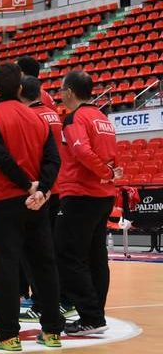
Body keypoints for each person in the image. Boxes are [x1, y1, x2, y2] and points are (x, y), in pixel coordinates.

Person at [0, 62, 63, 351]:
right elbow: (53, 160)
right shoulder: (38, 118)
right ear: (19, 88)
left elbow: (0, 158)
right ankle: (52, 332)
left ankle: (8, 336)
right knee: (44, 265)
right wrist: (42, 190)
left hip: (3, 203)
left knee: (5, 269)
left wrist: (27, 185)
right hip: (36, 204)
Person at [56, 70, 119, 336]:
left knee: (67, 254)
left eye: (62, 90)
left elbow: (81, 150)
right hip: (103, 195)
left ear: (70, 92)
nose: (60, 94)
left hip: (81, 193)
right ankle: (96, 315)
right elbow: (112, 154)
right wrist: (109, 175)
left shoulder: (75, 118)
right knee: (96, 257)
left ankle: (91, 316)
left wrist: (104, 172)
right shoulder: (103, 118)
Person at [17, 76, 77, 322]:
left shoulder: (30, 117)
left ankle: (42, 303)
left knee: (34, 251)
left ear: (21, 92)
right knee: (53, 250)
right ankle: (64, 301)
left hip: (41, 190)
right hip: (58, 186)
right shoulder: (53, 114)